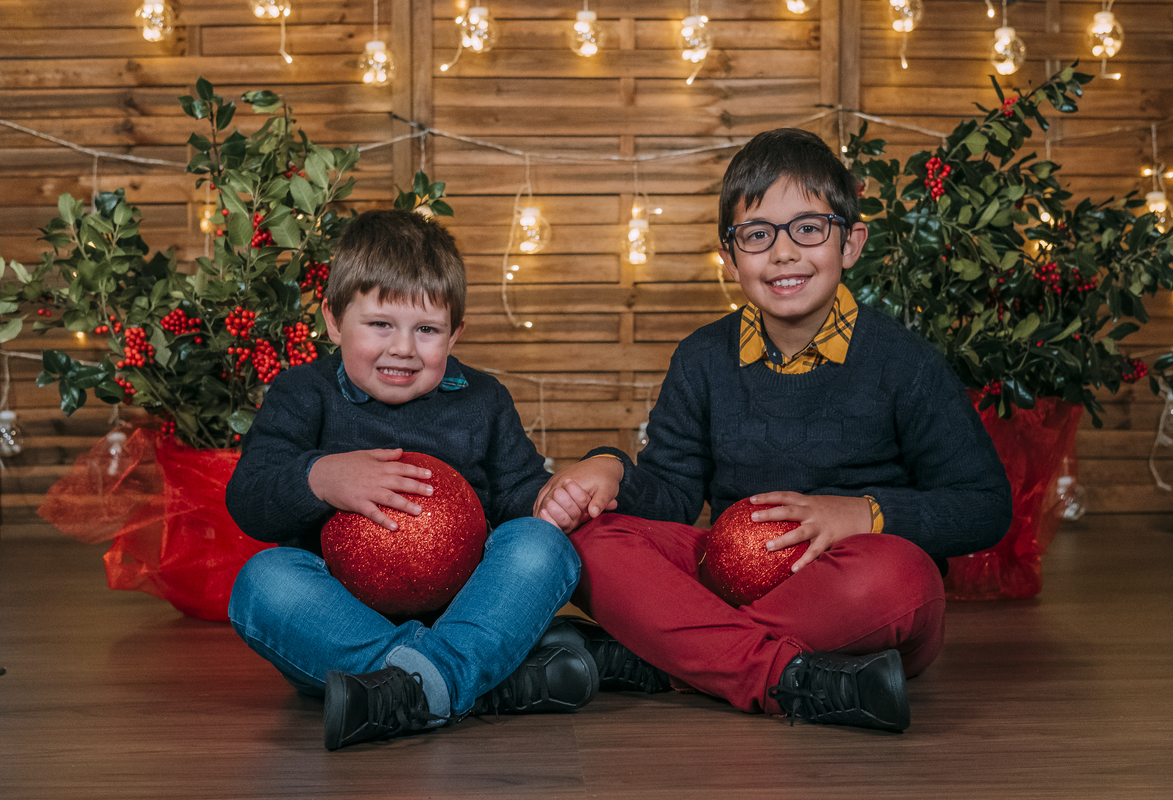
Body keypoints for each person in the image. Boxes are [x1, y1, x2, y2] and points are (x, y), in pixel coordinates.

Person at [534, 128, 1013, 732]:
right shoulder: (703, 358)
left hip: (850, 589)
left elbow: (985, 506)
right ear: (730, 258)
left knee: (902, 578)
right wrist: (609, 467)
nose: (784, 253)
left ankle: (662, 655)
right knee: (590, 540)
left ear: (851, 242)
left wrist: (860, 514)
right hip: (726, 575)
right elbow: (674, 500)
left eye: (808, 228)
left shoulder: (904, 363)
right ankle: (784, 676)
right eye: (757, 235)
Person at [227, 210, 603, 751]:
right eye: (380, 324)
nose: (403, 348)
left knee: (541, 545)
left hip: (468, 611)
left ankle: (413, 690)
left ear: (455, 334)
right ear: (333, 320)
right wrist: (321, 476)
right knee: (263, 582)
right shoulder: (302, 393)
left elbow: (519, 491)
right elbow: (249, 499)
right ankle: (477, 681)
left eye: (426, 330)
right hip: (341, 630)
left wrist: (551, 504)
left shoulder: (484, 400)